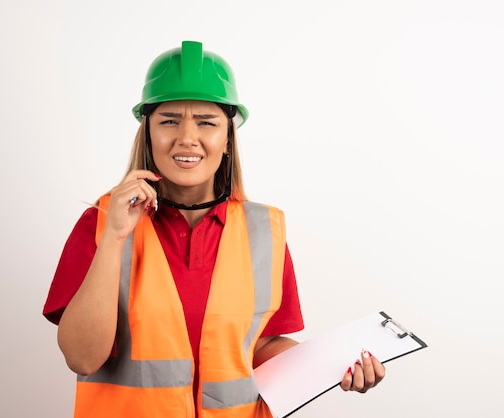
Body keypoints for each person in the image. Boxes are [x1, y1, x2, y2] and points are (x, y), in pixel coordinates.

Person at [43, 40, 385, 418]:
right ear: (148, 132)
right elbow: (82, 358)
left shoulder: (264, 231)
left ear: (227, 138)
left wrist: (337, 366)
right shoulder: (101, 224)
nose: (187, 137)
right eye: (169, 120)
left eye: (206, 122)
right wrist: (114, 236)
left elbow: (258, 347)